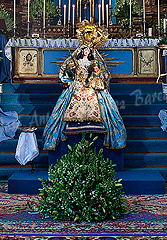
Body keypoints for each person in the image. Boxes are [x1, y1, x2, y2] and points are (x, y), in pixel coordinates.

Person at [43, 23, 126, 151]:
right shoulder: (75, 61)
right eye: (85, 50)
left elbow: (104, 73)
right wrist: (70, 78)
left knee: (102, 101)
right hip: (78, 84)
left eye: (88, 50)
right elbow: (63, 70)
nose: (86, 51)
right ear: (82, 51)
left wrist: (100, 76)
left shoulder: (95, 61)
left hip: (91, 84)